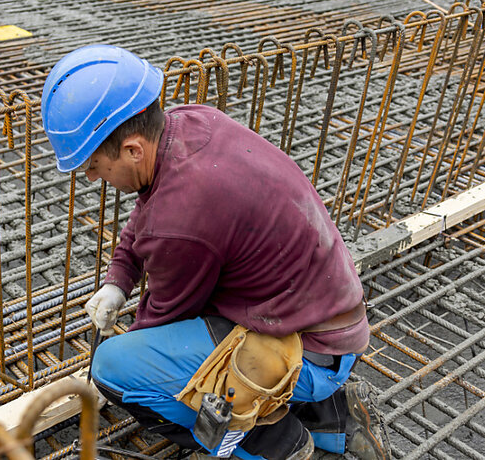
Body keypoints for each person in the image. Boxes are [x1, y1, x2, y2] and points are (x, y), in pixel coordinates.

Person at [40, 45, 390, 460]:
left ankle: (275, 444)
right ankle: (331, 418)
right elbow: (149, 209)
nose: (94, 176)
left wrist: (130, 359)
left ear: (133, 150)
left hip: (306, 355)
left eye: (94, 165)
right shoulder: (188, 124)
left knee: (116, 370)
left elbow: (162, 322)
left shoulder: (181, 219)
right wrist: (119, 278)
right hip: (331, 328)